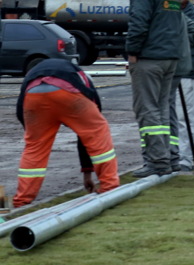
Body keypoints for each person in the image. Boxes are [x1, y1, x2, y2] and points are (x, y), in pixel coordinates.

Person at [13, 58, 119, 208]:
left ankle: (22, 201)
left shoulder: (31, 76)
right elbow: (88, 134)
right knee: (97, 133)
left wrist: (33, 134)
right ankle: (110, 187)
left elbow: (20, 111)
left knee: (35, 147)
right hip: (68, 92)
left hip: (34, 97)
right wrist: (87, 172)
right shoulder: (82, 77)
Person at [122, 0, 186, 178]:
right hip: (170, 58)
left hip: (149, 59)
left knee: (147, 110)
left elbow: (138, 24)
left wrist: (132, 52)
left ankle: (157, 162)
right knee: (163, 109)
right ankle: (171, 158)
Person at [168, 0, 194, 173]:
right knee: (170, 118)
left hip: (188, 72)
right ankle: (172, 156)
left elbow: (191, 37)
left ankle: (186, 158)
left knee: (186, 118)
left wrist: (174, 14)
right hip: (168, 72)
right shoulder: (164, 12)